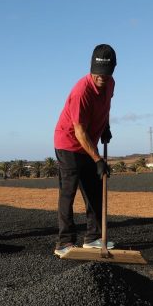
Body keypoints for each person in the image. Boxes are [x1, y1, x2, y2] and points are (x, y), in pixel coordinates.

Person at [52, 44, 117, 257]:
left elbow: (106, 105)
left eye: (106, 75)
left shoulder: (110, 84)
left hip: (88, 143)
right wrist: (98, 159)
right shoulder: (82, 91)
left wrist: (105, 126)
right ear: (91, 68)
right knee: (68, 192)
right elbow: (78, 130)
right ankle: (64, 243)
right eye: (98, 74)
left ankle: (93, 238)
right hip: (69, 143)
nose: (101, 78)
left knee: (94, 191)